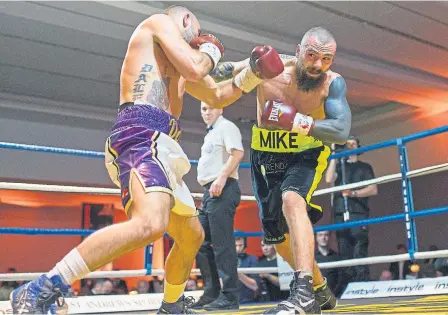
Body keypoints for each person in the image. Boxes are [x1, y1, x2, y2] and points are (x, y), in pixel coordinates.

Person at [9, 5, 285, 314]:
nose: (196, 37)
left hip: (164, 144)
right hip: (140, 132)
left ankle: (171, 306)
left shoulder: (181, 65)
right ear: (183, 20)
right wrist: (210, 50)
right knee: (151, 224)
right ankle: (42, 287)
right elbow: (199, 67)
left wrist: (253, 72)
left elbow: (217, 95)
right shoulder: (157, 23)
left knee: (192, 236)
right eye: (194, 31)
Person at [210, 27, 351, 314]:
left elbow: (340, 130)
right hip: (266, 156)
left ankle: (302, 295)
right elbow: (220, 75)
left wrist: (296, 121)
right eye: (312, 56)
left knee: (292, 199)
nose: (317, 65)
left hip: (306, 153)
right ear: (299, 51)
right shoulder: (272, 66)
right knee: (279, 239)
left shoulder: (333, 84)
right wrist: (203, 59)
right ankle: (320, 290)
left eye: (326, 59)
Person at [193, 103, 244, 310]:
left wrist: (222, 177)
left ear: (220, 109)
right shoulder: (211, 133)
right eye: (203, 109)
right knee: (199, 241)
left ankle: (230, 296)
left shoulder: (226, 127)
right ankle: (211, 292)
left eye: (210, 108)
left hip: (223, 188)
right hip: (210, 192)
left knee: (222, 244)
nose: (206, 112)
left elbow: (238, 152)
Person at [325, 136, 377, 284]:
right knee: (344, 249)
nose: (350, 146)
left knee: (359, 249)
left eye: (353, 144)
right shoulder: (340, 166)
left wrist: (354, 193)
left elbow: (373, 189)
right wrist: (334, 156)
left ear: (358, 147)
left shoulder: (365, 167)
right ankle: (348, 285)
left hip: (358, 212)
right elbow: (329, 179)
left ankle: (362, 284)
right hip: (340, 212)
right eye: (347, 144)